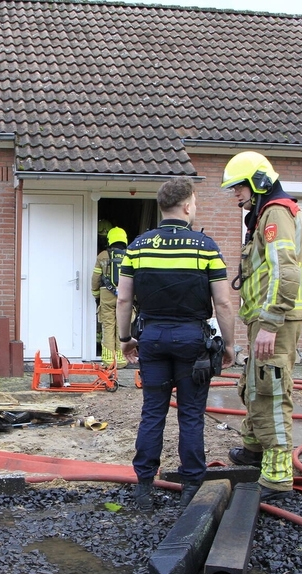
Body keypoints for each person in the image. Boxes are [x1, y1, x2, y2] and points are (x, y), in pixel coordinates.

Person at [116, 177, 236, 511]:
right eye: (195, 202)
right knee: (191, 416)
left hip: (151, 338)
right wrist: (229, 344)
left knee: (152, 413)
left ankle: (143, 491)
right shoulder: (206, 247)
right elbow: (223, 304)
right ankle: (190, 489)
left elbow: (123, 300)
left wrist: (126, 339)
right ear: (186, 205)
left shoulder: (138, 246)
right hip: (192, 341)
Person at [221, 151, 302, 502]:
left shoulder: (275, 213)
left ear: (257, 182)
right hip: (264, 318)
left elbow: (285, 270)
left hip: (276, 320)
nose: (235, 195)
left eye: (239, 187)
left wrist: (271, 322)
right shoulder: (264, 215)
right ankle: (254, 448)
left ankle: (277, 474)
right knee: (256, 383)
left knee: (271, 389)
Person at [91, 226, 129, 368]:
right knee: (122, 326)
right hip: (125, 296)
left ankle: (108, 361)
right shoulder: (130, 255)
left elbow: (95, 279)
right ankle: (121, 360)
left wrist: (96, 296)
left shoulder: (102, 256)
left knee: (107, 326)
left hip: (106, 296)